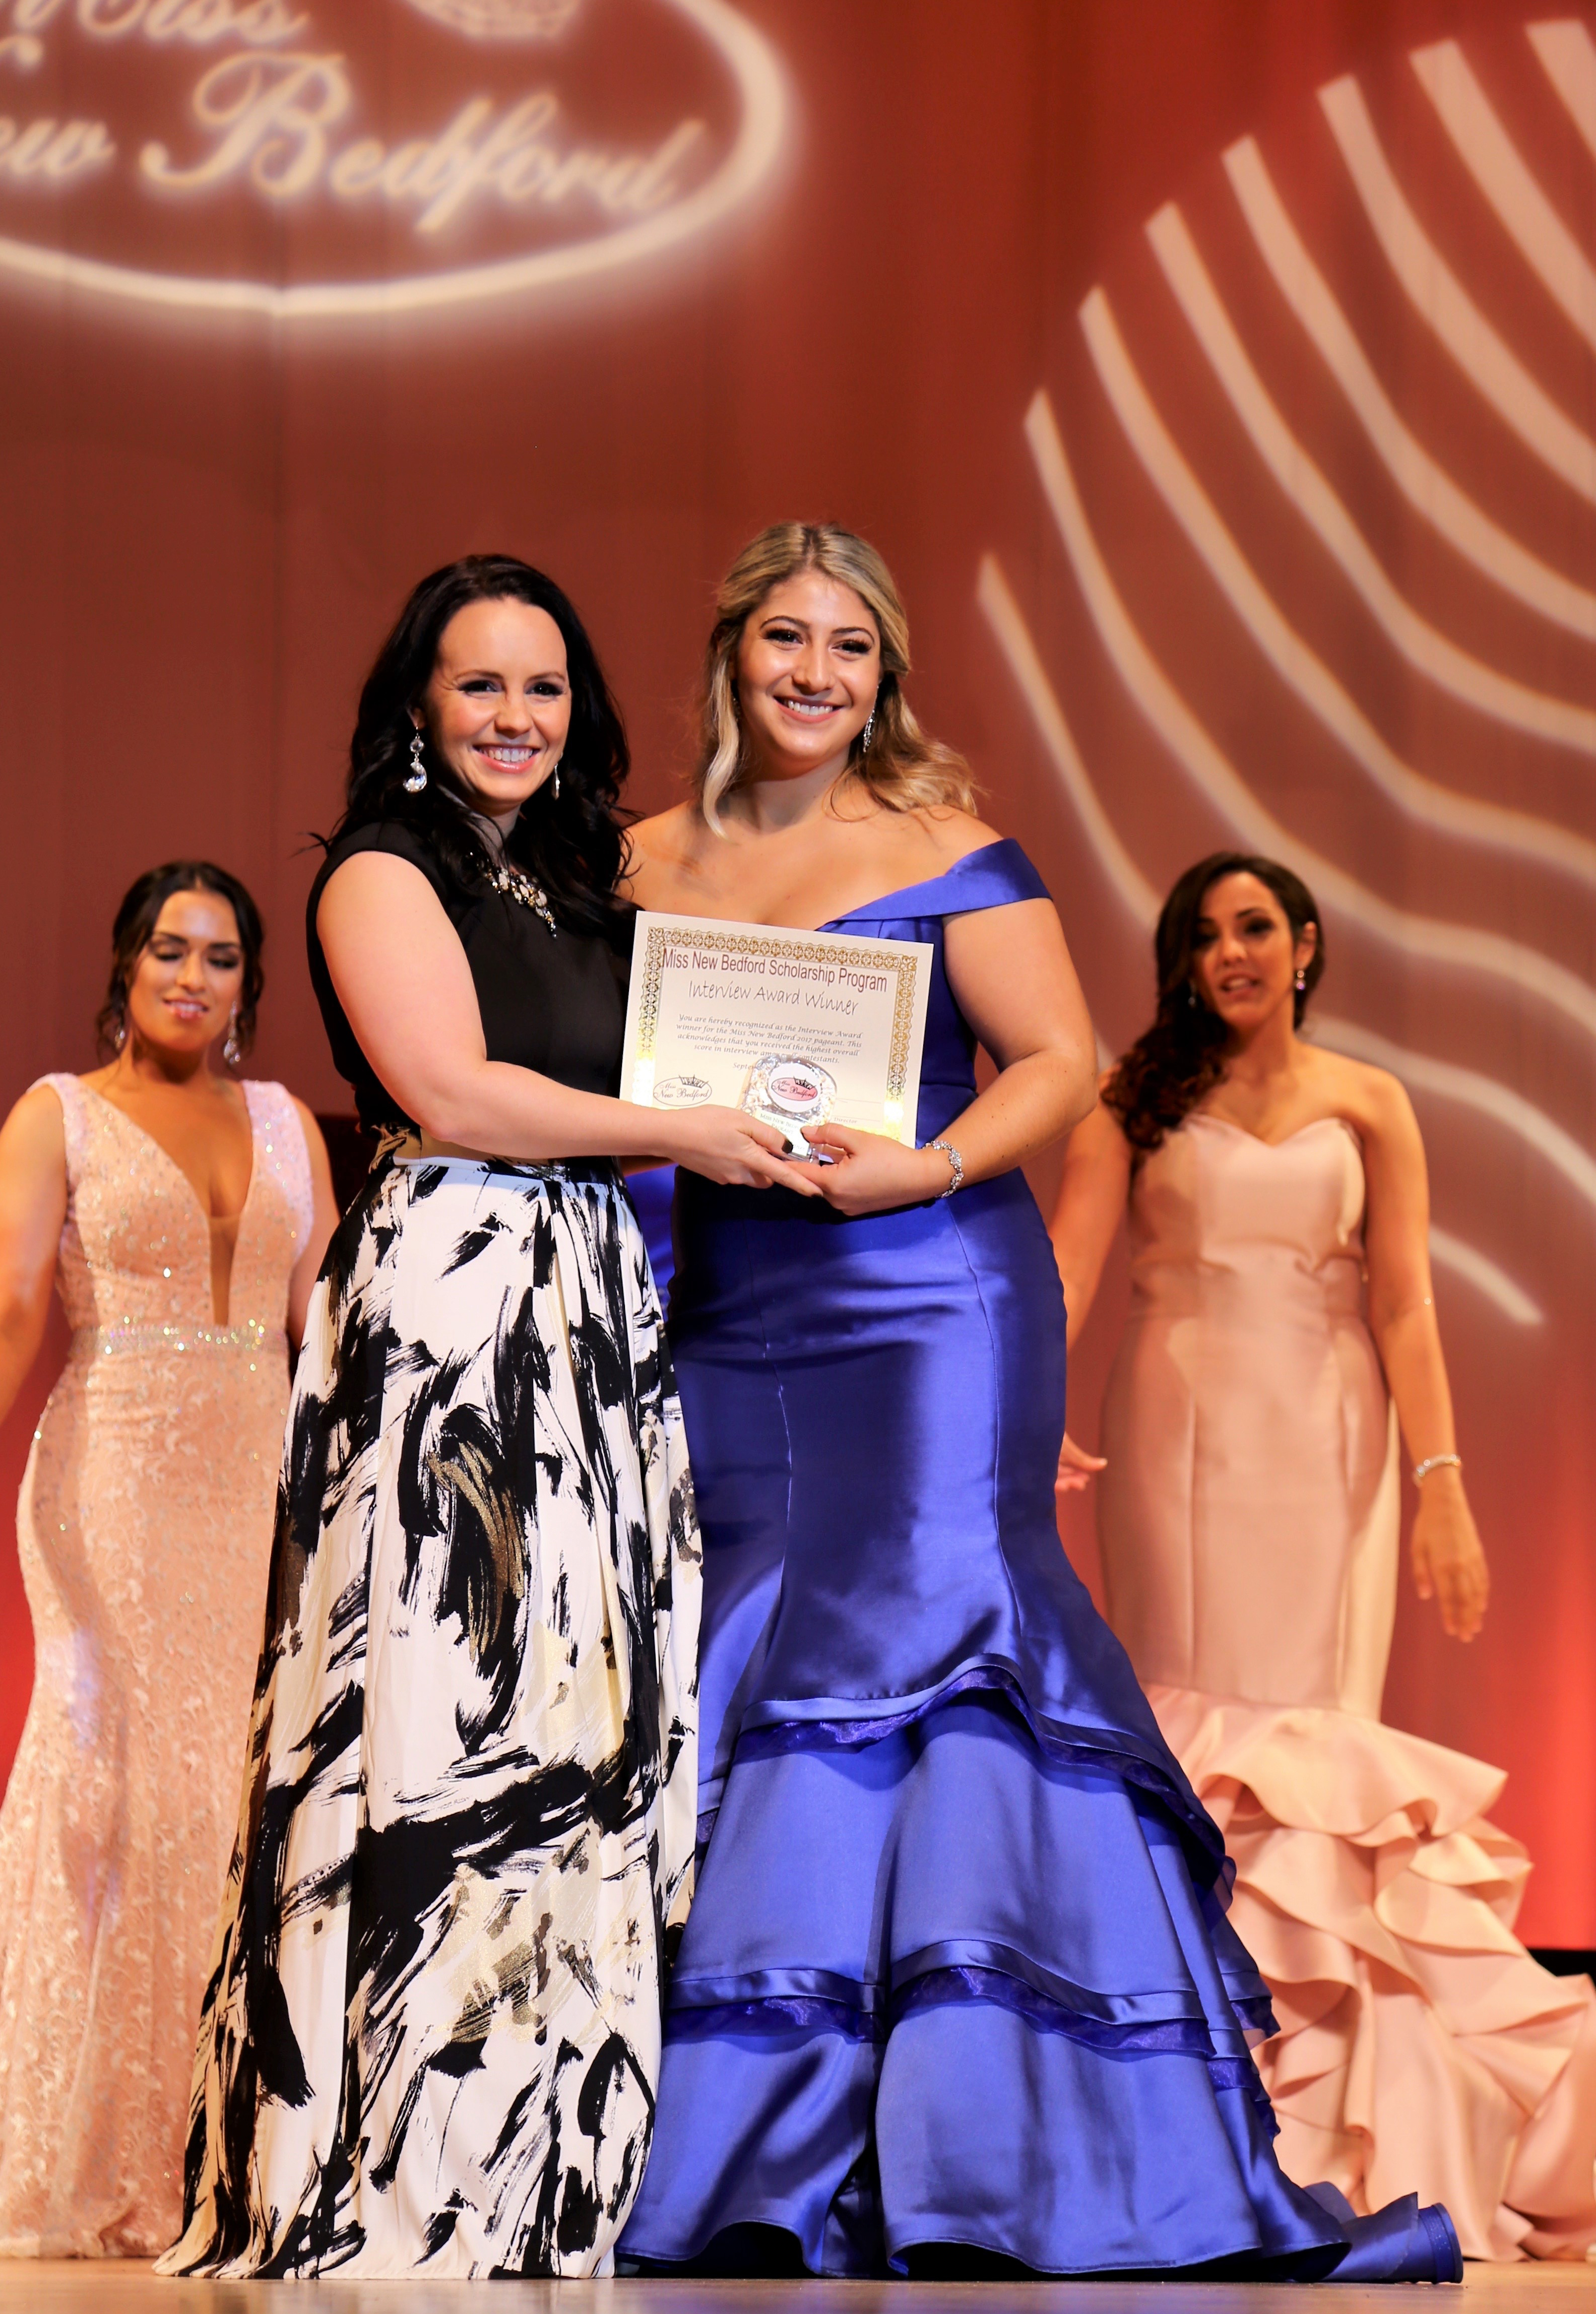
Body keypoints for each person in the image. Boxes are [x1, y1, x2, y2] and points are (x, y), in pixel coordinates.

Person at [616, 525, 1458, 2278]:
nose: (816, 674)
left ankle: (988, 2136)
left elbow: (1067, 1065)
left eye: (851, 646)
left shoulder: (940, 844)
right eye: (787, 638)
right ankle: (749, 2131)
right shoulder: (636, 861)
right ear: (729, 652)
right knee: (752, 1652)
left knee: (927, 1653)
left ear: (887, 674)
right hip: (726, 1300)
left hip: (924, 1292)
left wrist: (914, 1164)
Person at [161, 555, 821, 2282]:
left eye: (542, 687)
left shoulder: (583, 884)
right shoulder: (384, 872)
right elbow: (450, 1091)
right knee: (456, 1714)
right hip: (460, 1299)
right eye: (480, 687)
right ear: (420, 707)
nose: (516, 717)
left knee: (583, 1718)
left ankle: (539, 2166)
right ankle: (400, 2156)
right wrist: (683, 1125)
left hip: (587, 1296)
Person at [1050, 850, 1596, 2262]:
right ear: (1180, 962)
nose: (1230, 951)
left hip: (1336, 1433)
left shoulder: (1374, 1100)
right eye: (1203, 934)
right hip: (1175, 1420)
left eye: (1255, 927)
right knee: (1198, 1722)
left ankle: (1361, 2101)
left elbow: (1407, 1304)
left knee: (1318, 1738)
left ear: (1305, 944)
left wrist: (1445, 1484)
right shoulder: (1134, 1097)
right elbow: (1069, 1261)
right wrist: (1020, 1413)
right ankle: (1208, 2095)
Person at [0, 862, 334, 2257]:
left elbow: (329, 1330)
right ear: (124, 963)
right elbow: (9, 1316)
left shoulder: (290, 1123)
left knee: (237, 1802)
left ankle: (214, 2146)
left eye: (223, 956)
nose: (194, 975)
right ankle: (68, 2143)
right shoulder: (56, 1113)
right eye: (169, 949)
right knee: (109, 1792)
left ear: (249, 984)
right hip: (109, 1480)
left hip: (261, 1491)